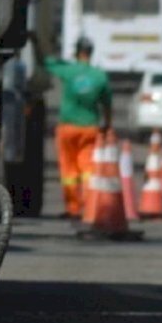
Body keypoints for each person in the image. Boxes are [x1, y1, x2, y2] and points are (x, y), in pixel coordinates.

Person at [44, 35, 113, 218]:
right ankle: (90, 205)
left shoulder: (69, 71)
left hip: (67, 128)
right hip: (90, 128)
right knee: (88, 168)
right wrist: (107, 125)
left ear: (77, 52)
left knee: (68, 170)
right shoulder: (100, 76)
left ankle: (73, 208)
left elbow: (47, 63)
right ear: (91, 53)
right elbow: (107, 104)